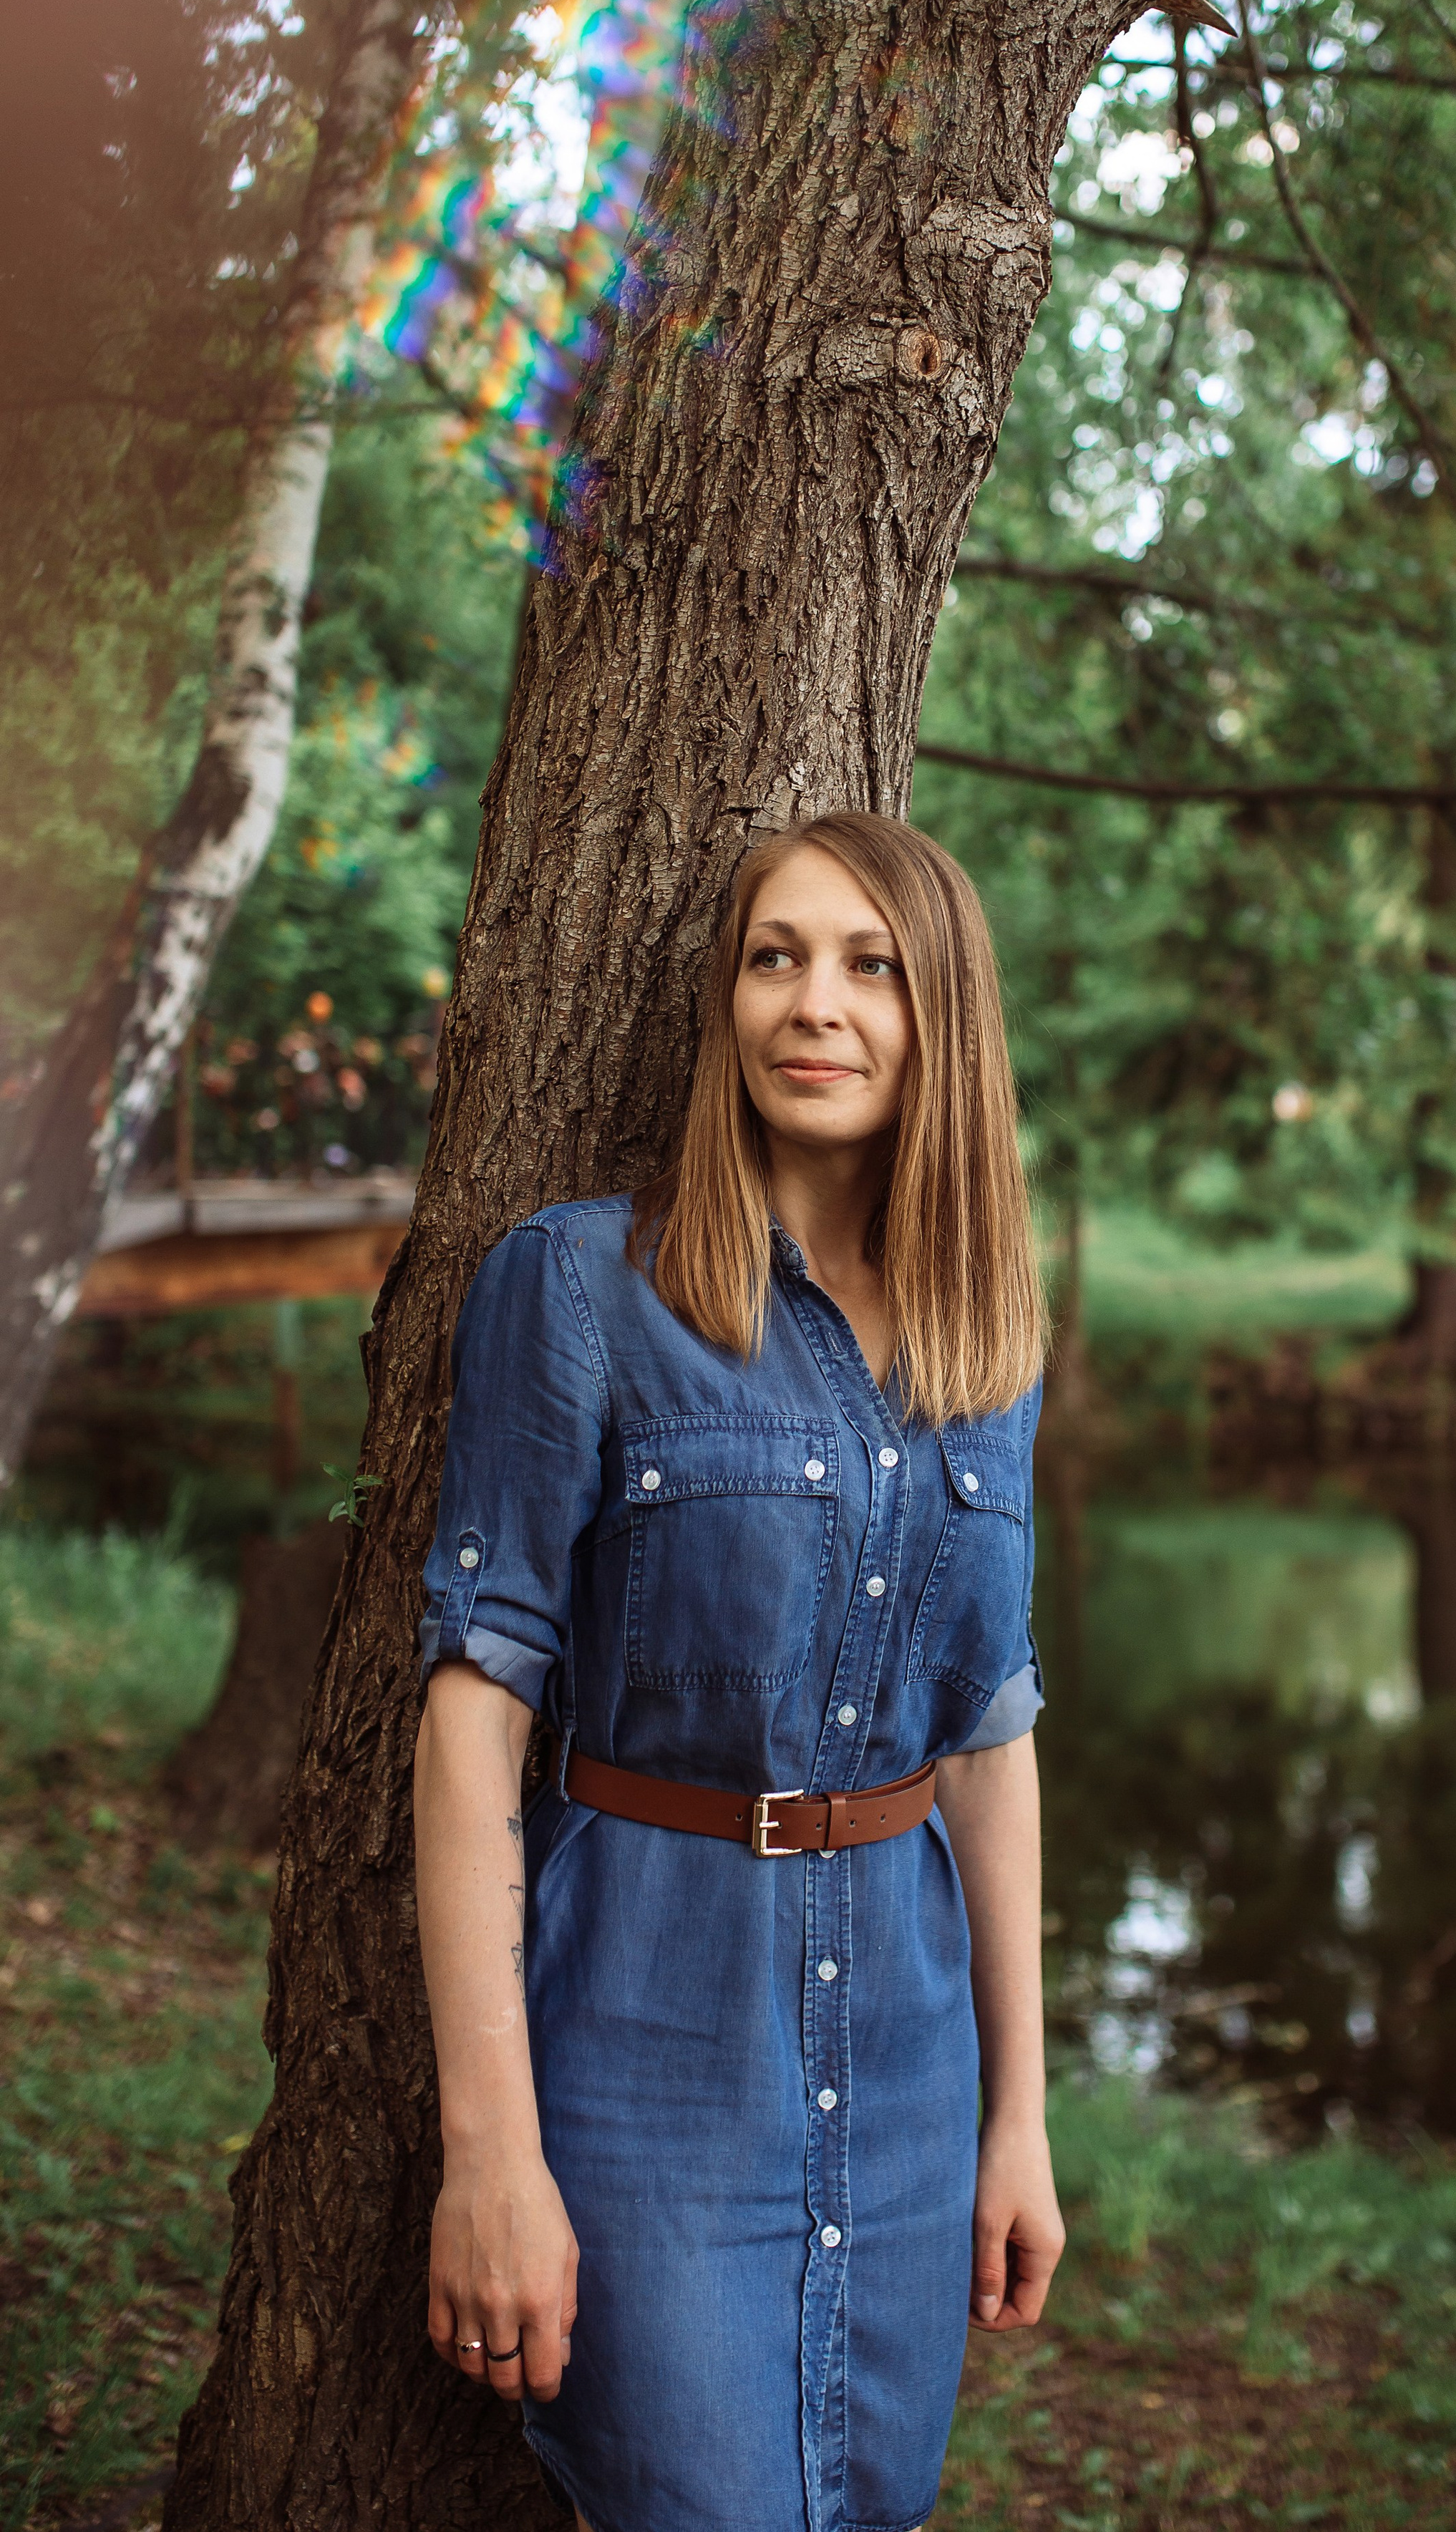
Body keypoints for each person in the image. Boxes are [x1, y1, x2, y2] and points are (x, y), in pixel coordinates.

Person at [413, 810, 1065, 2532]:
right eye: (772, 957)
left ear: (944, 1020)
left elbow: (989, 1735)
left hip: (915, 2068)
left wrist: (1022, 2118)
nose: (813, 1003)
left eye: (870, 966)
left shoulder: (990, 1334)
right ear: (723, 1004)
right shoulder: (578, 1285)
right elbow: (475, 1715)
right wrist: (491, 2151)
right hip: (649, 2045)